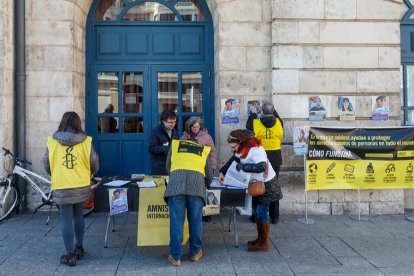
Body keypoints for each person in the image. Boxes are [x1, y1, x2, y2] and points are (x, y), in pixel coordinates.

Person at [43, 111, 99, 266]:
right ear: (77, 123)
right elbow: (94, 160)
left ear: (63, 122)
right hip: (80, 182)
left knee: (65, 219)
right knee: (78, 215)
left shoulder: (52, 141)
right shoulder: (86, 141)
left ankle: (70, 255)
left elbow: (46, 163)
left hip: (61, 184)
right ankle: (79, 247)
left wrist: (55, 174)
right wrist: (92, 172)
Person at [218, 129, 282, 252]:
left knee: (261, 213)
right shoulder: (241, 149)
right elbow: (233, 160)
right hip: (255, 185)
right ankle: (260, 238)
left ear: (241, 142)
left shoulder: (256, 150)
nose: (233, 149)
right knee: (257, 213)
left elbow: (261, 167)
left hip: (266, 185)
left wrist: (243, 167)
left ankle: (264, 242)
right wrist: (222, 171)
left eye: (234, 146)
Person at [164, 139, 212, 266]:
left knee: (176, 222)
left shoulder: (175, 146)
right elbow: (209, 174)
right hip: (196, 188)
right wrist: (206, 184)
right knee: (196, 222)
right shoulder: (203, 149)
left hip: (176, 188)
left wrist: (176, 177)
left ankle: (175, 257)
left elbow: (168, 167)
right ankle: (195, 253)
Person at [246, 101, 283, 224]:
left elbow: (247, 126)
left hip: (260, 157)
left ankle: (256, 214)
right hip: (275, 157)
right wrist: (271, 108)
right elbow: (276, 115)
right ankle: (275, 216)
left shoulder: (255, 123)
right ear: (272, 111)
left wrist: (253, 112)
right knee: (273, 187)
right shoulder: (279, 122)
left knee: (257, 184)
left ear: (262, 111)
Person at [181, 116, 217, 222]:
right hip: (191, 168)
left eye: (198, 126)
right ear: (189, 127)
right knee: (195, 191)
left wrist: (213, 166)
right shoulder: (184, 137)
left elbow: (212, 152)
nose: (196, 129)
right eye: (194, 127)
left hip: (204, 167)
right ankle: (196, 214)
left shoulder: (207, 137)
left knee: (205, 190)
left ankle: (207, 213)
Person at [148, 110, 179, 175]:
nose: (173, 124)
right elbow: (151, 148)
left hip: (172, 165)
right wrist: (166, 149)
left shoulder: (175, 132)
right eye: (170, 122)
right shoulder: (156, 132)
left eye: (174, 122)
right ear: (163, 121)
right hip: (159, 166)